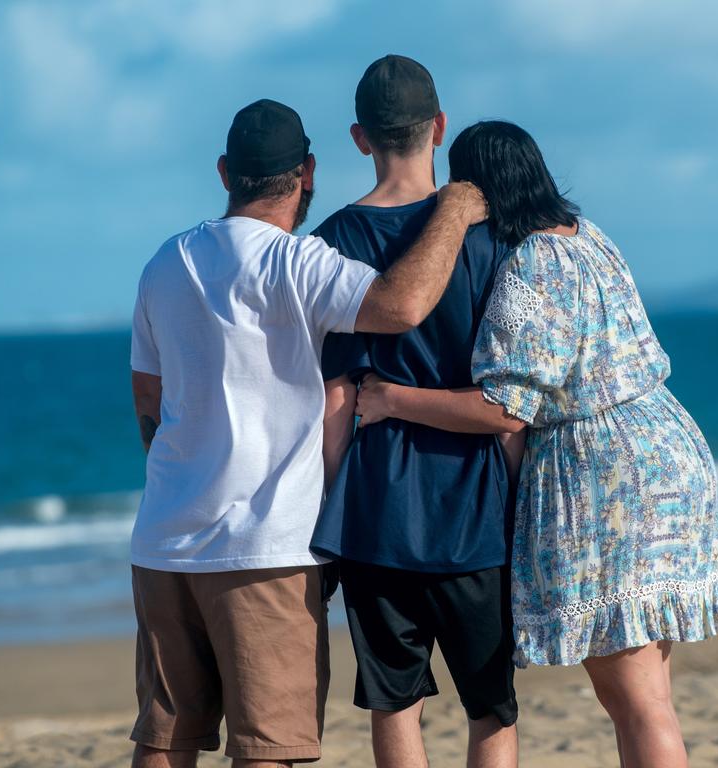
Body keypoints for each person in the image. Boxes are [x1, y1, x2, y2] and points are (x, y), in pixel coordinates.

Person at [353, 120, 718, 768]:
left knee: (635, 700)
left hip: (610, 474)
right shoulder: (591, 238)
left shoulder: (529, 265)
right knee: (650, 691)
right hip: (671, 449)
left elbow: (503, 408)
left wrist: (390, 399)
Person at [127, 98, 486, 768]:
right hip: (264, 547)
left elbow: (148, 395)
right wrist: (456, 211)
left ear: (225, 171)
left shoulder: (165, 262)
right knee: (270, 747)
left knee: (165, 736)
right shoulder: (297, 262)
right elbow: (402, 306)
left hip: (163, 541)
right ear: (307, 173)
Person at [312, 56, 520, 768]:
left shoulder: (332, 242)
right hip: (475, 505)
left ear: (359, 137)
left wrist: (326, 517)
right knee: (490, 708)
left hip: (377, 508)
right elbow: (510, 399)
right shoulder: (489, 236)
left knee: (396, 705)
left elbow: (337, 399)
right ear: (439, 127)